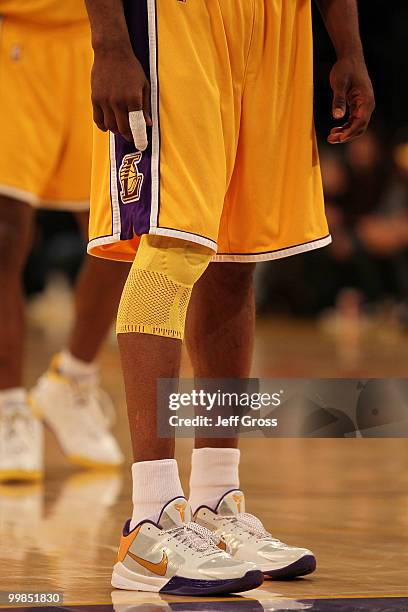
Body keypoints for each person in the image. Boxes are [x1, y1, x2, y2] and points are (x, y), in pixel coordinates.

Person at [85, 0, 375, 596]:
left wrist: (348, 42)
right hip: (176, 18)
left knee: (235, 255)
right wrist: (109, 41)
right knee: (171, 249)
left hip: (279, 21)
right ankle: (149, 524)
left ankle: (217, 501)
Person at [0, 0, 128, 481]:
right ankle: (9, 407)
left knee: (119, 231)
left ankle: (72, 378)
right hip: (16, 41)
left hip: (103, 40)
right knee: (4, 234)